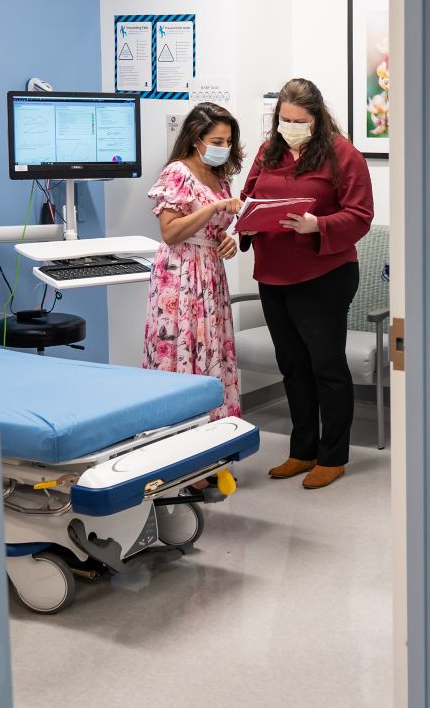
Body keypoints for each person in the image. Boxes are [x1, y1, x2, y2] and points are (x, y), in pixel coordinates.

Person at [240, 78, 373, 489]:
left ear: (317, 118)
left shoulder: (342, 154)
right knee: (293, 366)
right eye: (284, 119)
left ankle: (332, 456)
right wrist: (241, 223)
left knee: (326, 366)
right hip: (273, 273)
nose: (290, 126)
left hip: (323, 275)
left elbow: (361, 214)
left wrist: (319, 224)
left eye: (299, 120)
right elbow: (249, 197)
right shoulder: (268, 151)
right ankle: (301, 450)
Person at [143, 102, 244, 422]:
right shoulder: (177, 173)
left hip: (211, 273)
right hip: (181, 274)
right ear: (195, 139)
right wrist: (211, 211)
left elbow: (214, 230)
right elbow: (170, 232)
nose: (224, 148)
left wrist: (227, 240)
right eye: (216, 142)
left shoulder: (219, 177)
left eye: (228, 142)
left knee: (212, 349)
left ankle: (213, 443)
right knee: (183, 350)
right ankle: (180, 442)